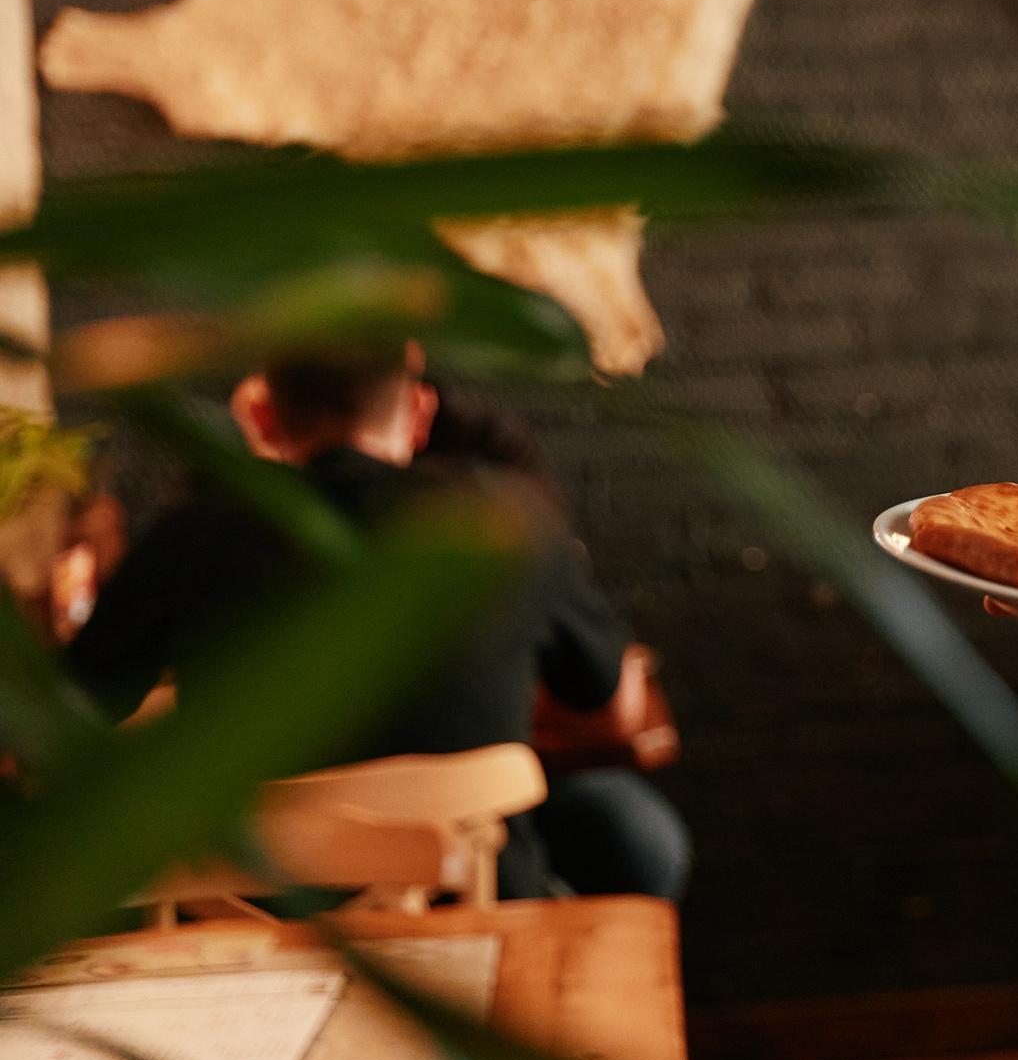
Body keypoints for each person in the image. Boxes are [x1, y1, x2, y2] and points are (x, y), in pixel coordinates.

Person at [64, 342, 654, 901]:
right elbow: (602, 693)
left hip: (256, 934)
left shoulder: (188, 538)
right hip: (479, 915)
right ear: (420, 412)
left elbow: (66, 715)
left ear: (263, 419)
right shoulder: (503, 517)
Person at [417, 389, 692, 903]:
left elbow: (613, 708)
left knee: (635, 834)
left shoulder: (480, 449)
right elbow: (615, 707)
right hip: (447, 806)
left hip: (514, 777)